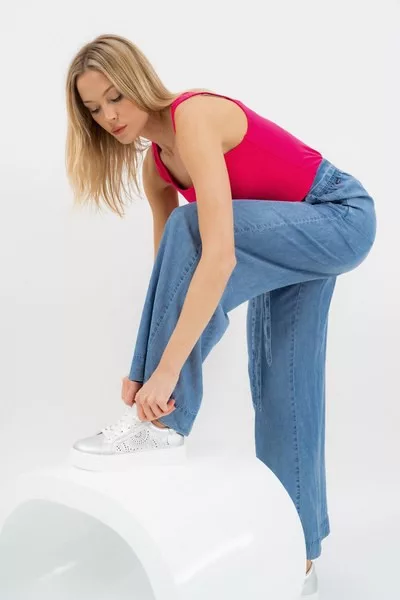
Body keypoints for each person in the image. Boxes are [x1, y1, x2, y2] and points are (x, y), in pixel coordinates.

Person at [65, 33, 377, 582]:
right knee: (284, 386)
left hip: (336, 214)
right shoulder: (156, 169)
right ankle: (302, 558)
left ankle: (162, 424)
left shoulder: (194, 117)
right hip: (287, 240)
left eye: (116, 96)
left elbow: (218, 255)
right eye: (94, 109)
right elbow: (168, 275)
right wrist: (141, 369)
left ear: (139, 82)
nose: (109, 116)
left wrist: (163, 376)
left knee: (192, 229)